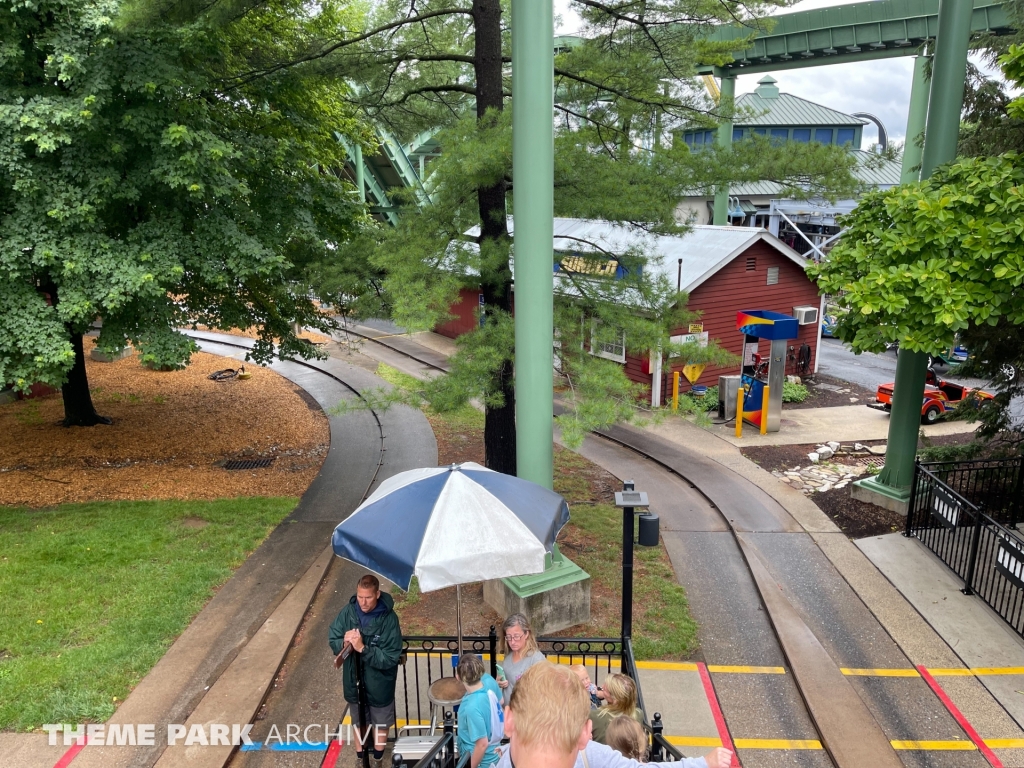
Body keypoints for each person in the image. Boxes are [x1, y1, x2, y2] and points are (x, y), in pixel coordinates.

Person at [495, 664, 732, 768]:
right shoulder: (593, 756)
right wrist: (703, 763)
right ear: (585, 733)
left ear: (509, 721)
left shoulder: (502, 757)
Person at [328, 574, 403, 768]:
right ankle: (361, 757)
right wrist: (344, 643)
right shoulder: (348, 612)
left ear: (377, 594)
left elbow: (390, 657)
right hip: (354, 681)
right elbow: (333, 636)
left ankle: (377, 759)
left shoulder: (389, 619)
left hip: (380, 683)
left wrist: (363, 648)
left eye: (368, 597)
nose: (363, 602)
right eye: (360, 596)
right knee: (358, 720)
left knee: (380, 722)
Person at [455, 654, 504, 768]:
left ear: (458, 676)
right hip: (494, 755)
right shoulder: (489, 680)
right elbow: (501, 702)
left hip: (481, 762)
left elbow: (482, 744)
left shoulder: (472, 707)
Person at [497, 613, 547, 705]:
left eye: (516, 636)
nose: (512, 642)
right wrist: (500, 682)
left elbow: (544, 691)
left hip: (524, 715)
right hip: (508, 712)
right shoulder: (509, 655)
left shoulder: (536, 659)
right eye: (508, 637)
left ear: (526, 634)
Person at [588, 674, 644, 744]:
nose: (602, 687)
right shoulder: (638, 714)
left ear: (615, 699)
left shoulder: (595, 716)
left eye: (605, 690)